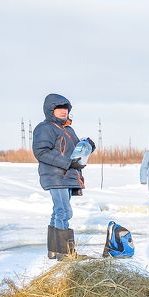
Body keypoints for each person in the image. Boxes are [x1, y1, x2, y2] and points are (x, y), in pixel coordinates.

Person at [32, 93, 95, 260]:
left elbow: (75, 153)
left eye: (65, 108)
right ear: (50, 110)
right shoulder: (45, 128)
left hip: (67, 176)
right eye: (59, 108)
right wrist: (67, 163)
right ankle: (64, 252)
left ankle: (54, 250)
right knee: (64, 211)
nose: (63, 111)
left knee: (57, 211)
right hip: (55, 176)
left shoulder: (67, 129)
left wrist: (87, 146)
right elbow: (41, 152)